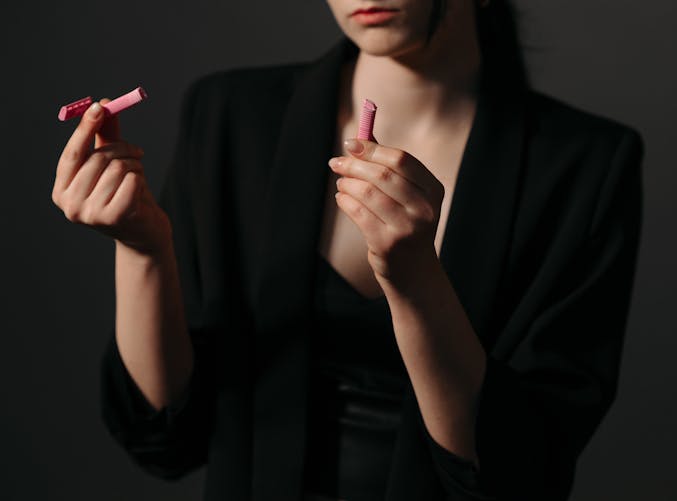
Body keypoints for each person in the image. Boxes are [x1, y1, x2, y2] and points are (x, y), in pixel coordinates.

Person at [50, 0, 644, 500]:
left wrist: (415, 277)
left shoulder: (587, 166)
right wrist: (143, 247)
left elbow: (517, 475)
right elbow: (165, 439)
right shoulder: (231, 117)